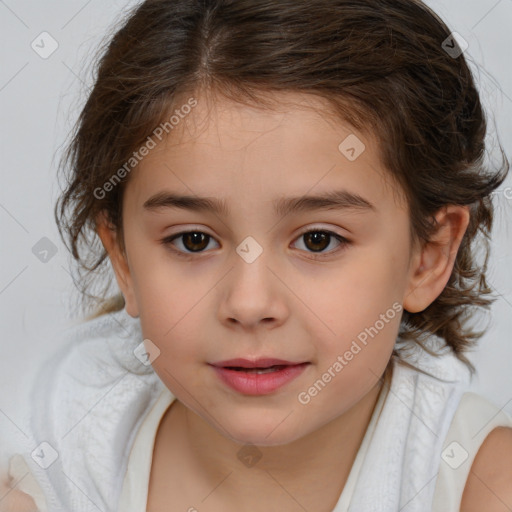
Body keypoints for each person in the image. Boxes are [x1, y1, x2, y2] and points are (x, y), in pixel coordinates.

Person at [2, 0, 512, 510]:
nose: (249, 303)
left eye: (318, 240)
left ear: (427, 254)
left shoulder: (481, 486)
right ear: (124, 260)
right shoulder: (51, 472)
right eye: (193, 240)